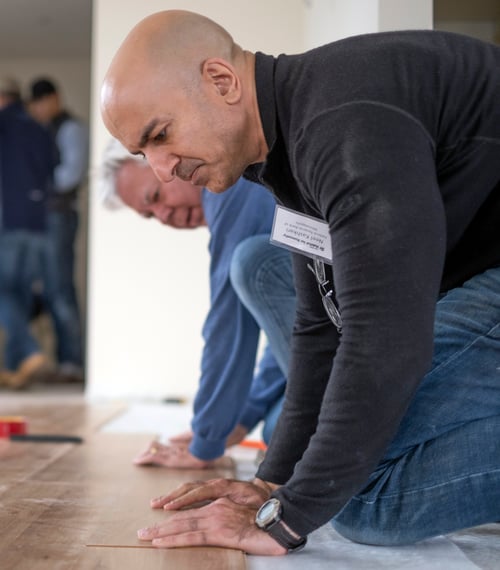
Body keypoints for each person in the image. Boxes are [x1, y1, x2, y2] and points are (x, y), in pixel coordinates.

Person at [100, 11, 500, 556]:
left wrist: (285, 517)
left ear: (222, 81)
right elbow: (319, 329)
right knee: (345, 482)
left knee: (362, 495)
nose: (164, 170)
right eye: (145, 154)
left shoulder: (341, 125)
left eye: (162, 136)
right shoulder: (285, 152)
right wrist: (273, 481)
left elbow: (383, 340)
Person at [98, 138, 295, 468]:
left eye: (156, 197)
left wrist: (206, 442)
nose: (163, 216)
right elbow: (293, 324)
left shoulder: (230, 188)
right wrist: (242, 419)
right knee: (278, 431)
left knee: (251, 264)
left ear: (169, 164)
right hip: (342, 318)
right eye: (150, 215)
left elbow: (227, 322)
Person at [29, 77, 88, 381]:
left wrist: (34, 186)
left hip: (58, 217)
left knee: (60, 288)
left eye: (41, 102)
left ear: (54, 99)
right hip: (37, 220)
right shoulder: (37, 131)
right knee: (41, 289)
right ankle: (51, 361)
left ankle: (71, 363)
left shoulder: (70, 128)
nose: (38, 109)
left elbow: (70, 174)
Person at [0, 77, 55, 388]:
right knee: (18, 293)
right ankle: (13, 367)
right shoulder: (38, 127)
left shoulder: (3, 125)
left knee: (2, 291)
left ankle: (30, 350)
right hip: (38, 222)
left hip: (8, 222)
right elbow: (52, 168)